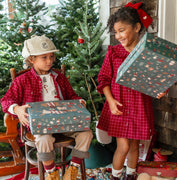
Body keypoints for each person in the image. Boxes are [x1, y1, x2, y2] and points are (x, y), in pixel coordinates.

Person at [1, 35, 93, 180]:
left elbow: (72, 96)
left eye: (51, 56)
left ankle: (73, 170)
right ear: (32, 59)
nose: (50, 61)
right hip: (40, 126)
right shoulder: (22, 81)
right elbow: (6, 100)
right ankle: (51, 173)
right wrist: (17, 109)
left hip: (66, 122)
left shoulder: (59, 77)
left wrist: (79, 101)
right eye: (44, 57)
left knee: (86, 134)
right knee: (44, 139)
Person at [96, 1, 166, 180]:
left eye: (122, 30)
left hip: (139, 107)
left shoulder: (147, 54)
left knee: (135, 146)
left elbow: (156, 81)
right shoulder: (114, 53)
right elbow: (103, 80)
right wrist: (110, 101)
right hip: (119, 106)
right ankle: (115, 177)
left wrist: (160, 91)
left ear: (136, 27)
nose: (118, 35)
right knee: (124, 147)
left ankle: (130, 175)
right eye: (115, 31)